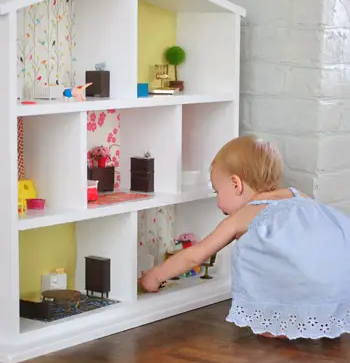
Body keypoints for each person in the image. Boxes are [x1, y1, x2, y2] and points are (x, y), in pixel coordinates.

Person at [140, 135, 350, 340]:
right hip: (339, 287)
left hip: (307, 286)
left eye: (217, 192)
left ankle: (277, 321)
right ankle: (318, 319)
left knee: (258, 255)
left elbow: (195, 256)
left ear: (236, 184)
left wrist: (155, 276)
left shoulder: (245, 215)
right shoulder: (298, 196)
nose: (218, 203)